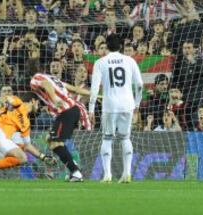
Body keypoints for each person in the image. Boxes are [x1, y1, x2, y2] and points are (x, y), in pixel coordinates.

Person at [88, 34, 143, 183]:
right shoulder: (130, 61)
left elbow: (94, 89)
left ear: (106, 45)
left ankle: (107, 175)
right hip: (127, 105)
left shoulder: (100, 62)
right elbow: (139, 85)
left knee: (107, 138)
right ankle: (127, 173)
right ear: (121, 46)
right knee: (125, 137)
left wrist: (91, 109)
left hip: (110, 105)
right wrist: (137, 104)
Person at [0, 93, 55, 180]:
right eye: (38, 103)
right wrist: (5, 101)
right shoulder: (19, 103)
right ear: (32, 101)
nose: (39, 107)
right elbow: (7, 98)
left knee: (22, 157)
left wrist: (43, 157)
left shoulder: (26, 123)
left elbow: (28, 146)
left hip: (4, 139)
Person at [30, 72, 90, 182]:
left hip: (65, 111)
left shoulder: (35, 79)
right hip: (73, 110)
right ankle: (73, 167)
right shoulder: (55, 80)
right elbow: (75, 89)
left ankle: (76, 172)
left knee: (55, 144)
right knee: (49, 139)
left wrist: (54, 98)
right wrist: (93, 93)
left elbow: (45, 83)